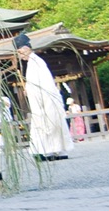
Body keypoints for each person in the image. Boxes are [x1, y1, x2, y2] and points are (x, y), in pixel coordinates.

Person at [14, 33, 73, 161]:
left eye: (20, 52)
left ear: (26, 49)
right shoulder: (33, 63)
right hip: (40, 100)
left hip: (45, 101)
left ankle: (51, 151)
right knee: (44, 126)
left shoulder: (37, 62)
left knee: (49, 125)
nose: (20, 55)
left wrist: (31, 91)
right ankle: (50, 150)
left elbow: (44, 84)